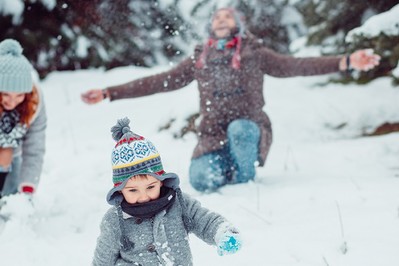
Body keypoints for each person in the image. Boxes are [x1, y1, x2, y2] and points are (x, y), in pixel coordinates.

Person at [81, 7, 380, 192]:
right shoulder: (200, 58)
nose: (222, 19)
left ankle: (244, 183)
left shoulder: (255, 54)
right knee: (200, 181)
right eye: (217, 16)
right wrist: (111, 93)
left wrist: (346, 61)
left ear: (237, 24)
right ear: (211, 26)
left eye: (228, 16)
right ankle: (231, 167)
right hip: (212, 135)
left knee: (241, 130)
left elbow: (297, 65)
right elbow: (159, 82)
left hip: (248, 129)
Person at [92, 117, 241, 265]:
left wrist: (222, 233)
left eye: (150, 187)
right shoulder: (115, 220)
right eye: (133, 190)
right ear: (120, 191)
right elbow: (102, 260)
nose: (143, 197)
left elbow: (204, 220)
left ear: (161, 181)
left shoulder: (178, 204)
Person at [0, 39, 47, 199]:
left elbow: (35, 147)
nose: (12, 102)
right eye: (5, 94)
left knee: (12, 199)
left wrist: (27, 185)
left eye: (19, 95)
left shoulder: (34, 103)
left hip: (13, 159)